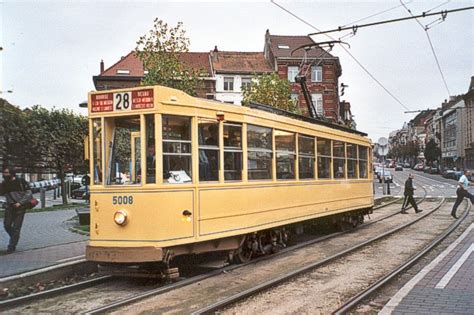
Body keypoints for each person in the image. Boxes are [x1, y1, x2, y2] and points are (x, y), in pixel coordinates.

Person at [0, 167, 32, 253]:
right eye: (4, 173)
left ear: (12, 173)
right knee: (7, 225)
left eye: (6, 173)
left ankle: (11, 246)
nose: (4, 175)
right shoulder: (4, 183)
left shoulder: (21, 182)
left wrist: (20, 203)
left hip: (20, 207)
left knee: (16, 227)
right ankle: (15, 236)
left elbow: (28, 193)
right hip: (9, 207)